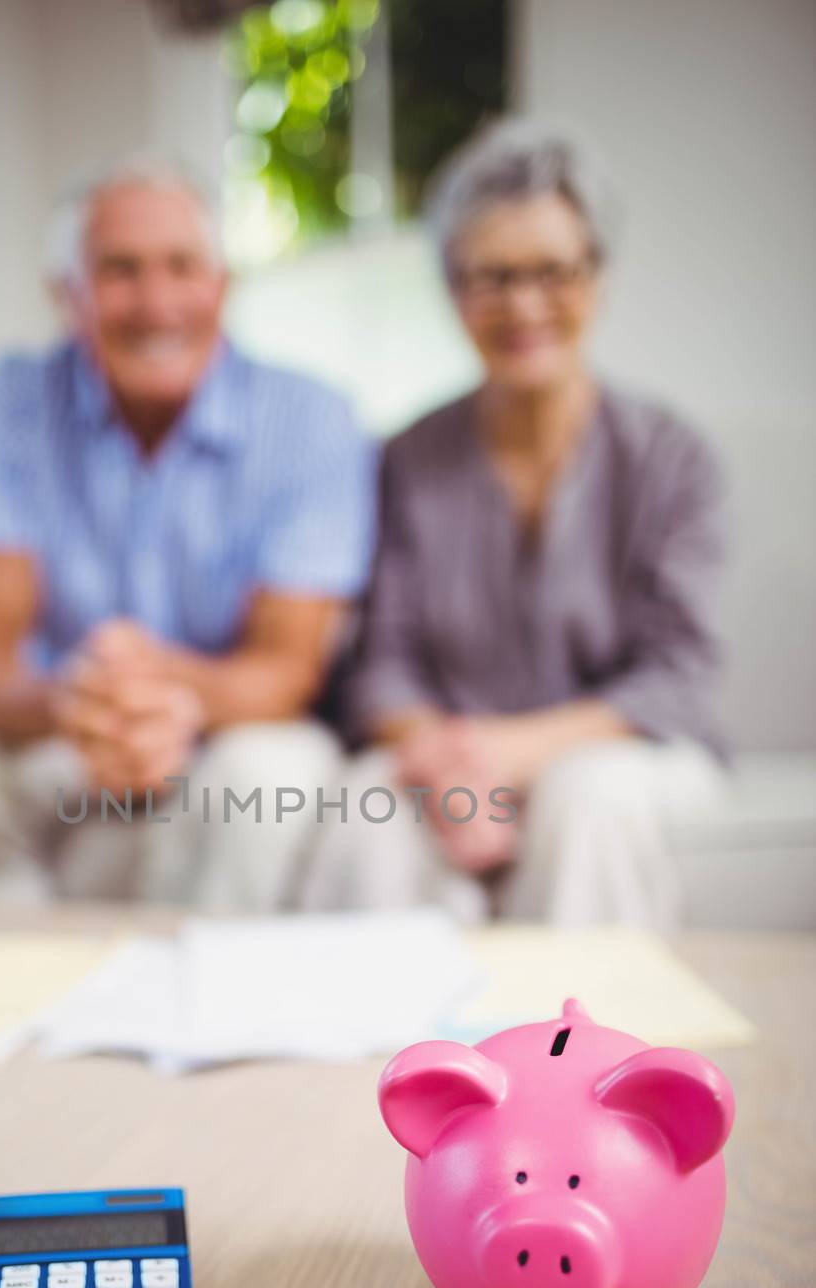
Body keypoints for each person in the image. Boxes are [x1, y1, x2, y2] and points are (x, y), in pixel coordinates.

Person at [0, 158, 374, 908]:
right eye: (119, 270)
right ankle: (5, 999)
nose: (156, 302)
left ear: (222, 285)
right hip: (58, 726)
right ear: (67, 295)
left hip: (226, 733)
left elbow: (285, 669)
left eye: (182, 267)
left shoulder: (311, 418)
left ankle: (210, 1011)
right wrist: (85, 704)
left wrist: (165, 693)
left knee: (275, 773)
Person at [308, 120, 727, 927]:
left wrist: (504, 756)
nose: (523, 303)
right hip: (443, 750)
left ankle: (574, 1050)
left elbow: (675, 675)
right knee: (371, 804)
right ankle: (390, 1049)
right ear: (452, 289)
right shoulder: (403, 457)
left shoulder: (671, 457)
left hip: (622, 757)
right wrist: (442, 760)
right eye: (489, 277)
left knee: (589, 795)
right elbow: (381, 663)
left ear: (597, 274)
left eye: (551, 271)